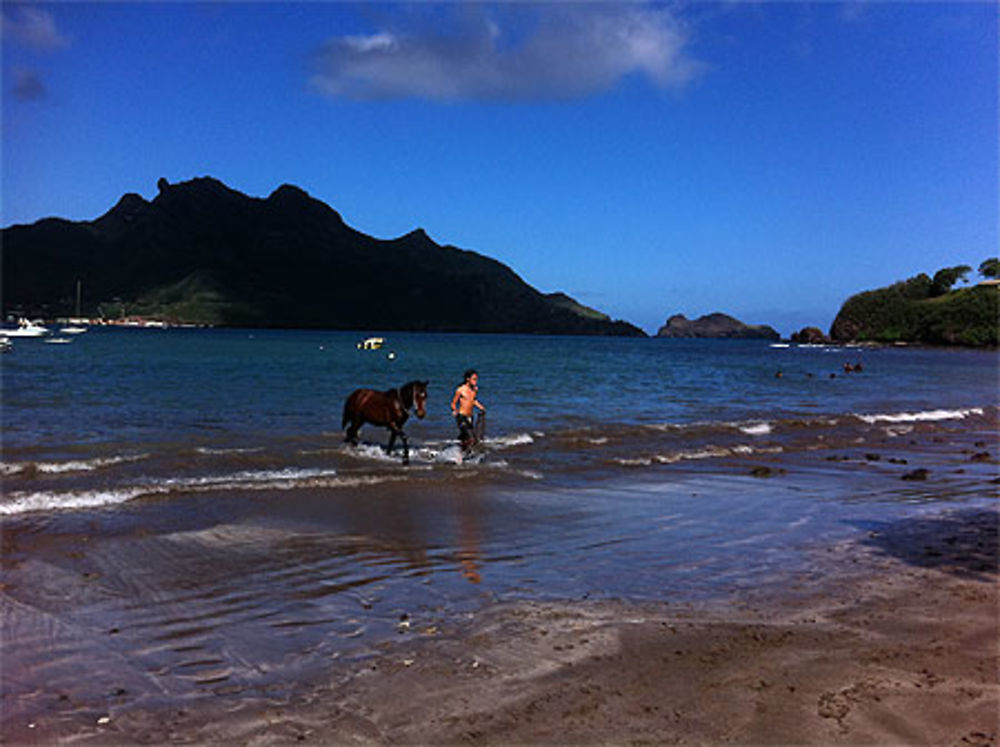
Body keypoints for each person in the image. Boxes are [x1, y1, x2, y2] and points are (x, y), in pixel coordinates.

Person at [451, 369, 486, 451]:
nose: (476, 381)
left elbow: (473, 400)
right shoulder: (460, 390)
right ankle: (465, 453)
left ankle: (462, 452)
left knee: (470, 438)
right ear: (468, 379)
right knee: (471, 438)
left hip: (470, 417)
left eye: (476, 379)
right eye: (474, 379)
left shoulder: (475, 390)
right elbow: (453, 403)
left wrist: (481, 407)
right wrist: (455, 410)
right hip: (461, 416)